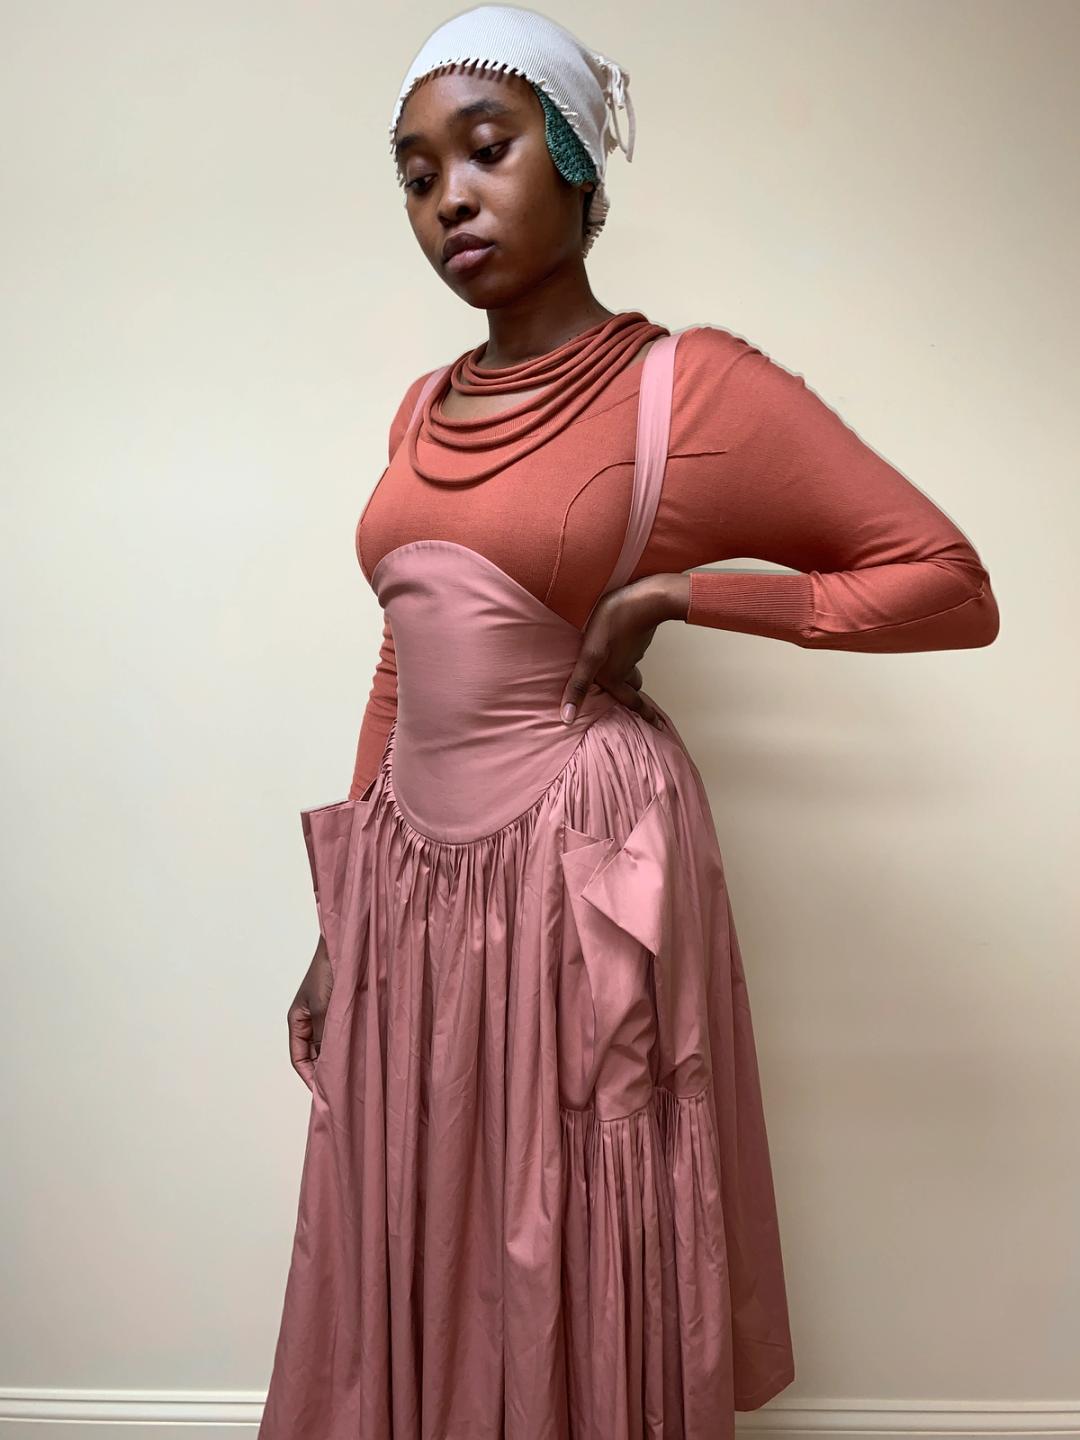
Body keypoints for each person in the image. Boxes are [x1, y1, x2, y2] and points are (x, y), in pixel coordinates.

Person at [258, 6, 1000, 1438]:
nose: (450, 198)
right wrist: (345, 914)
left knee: (570, 1202)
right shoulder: (421, 407)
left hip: (574, 866)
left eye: (487, 149)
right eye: (416, 174)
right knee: (427, 1193)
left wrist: (683, 595)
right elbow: (403, 657)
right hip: (415, 882)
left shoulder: (686, 388)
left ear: (578, 160)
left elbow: (945, 585)